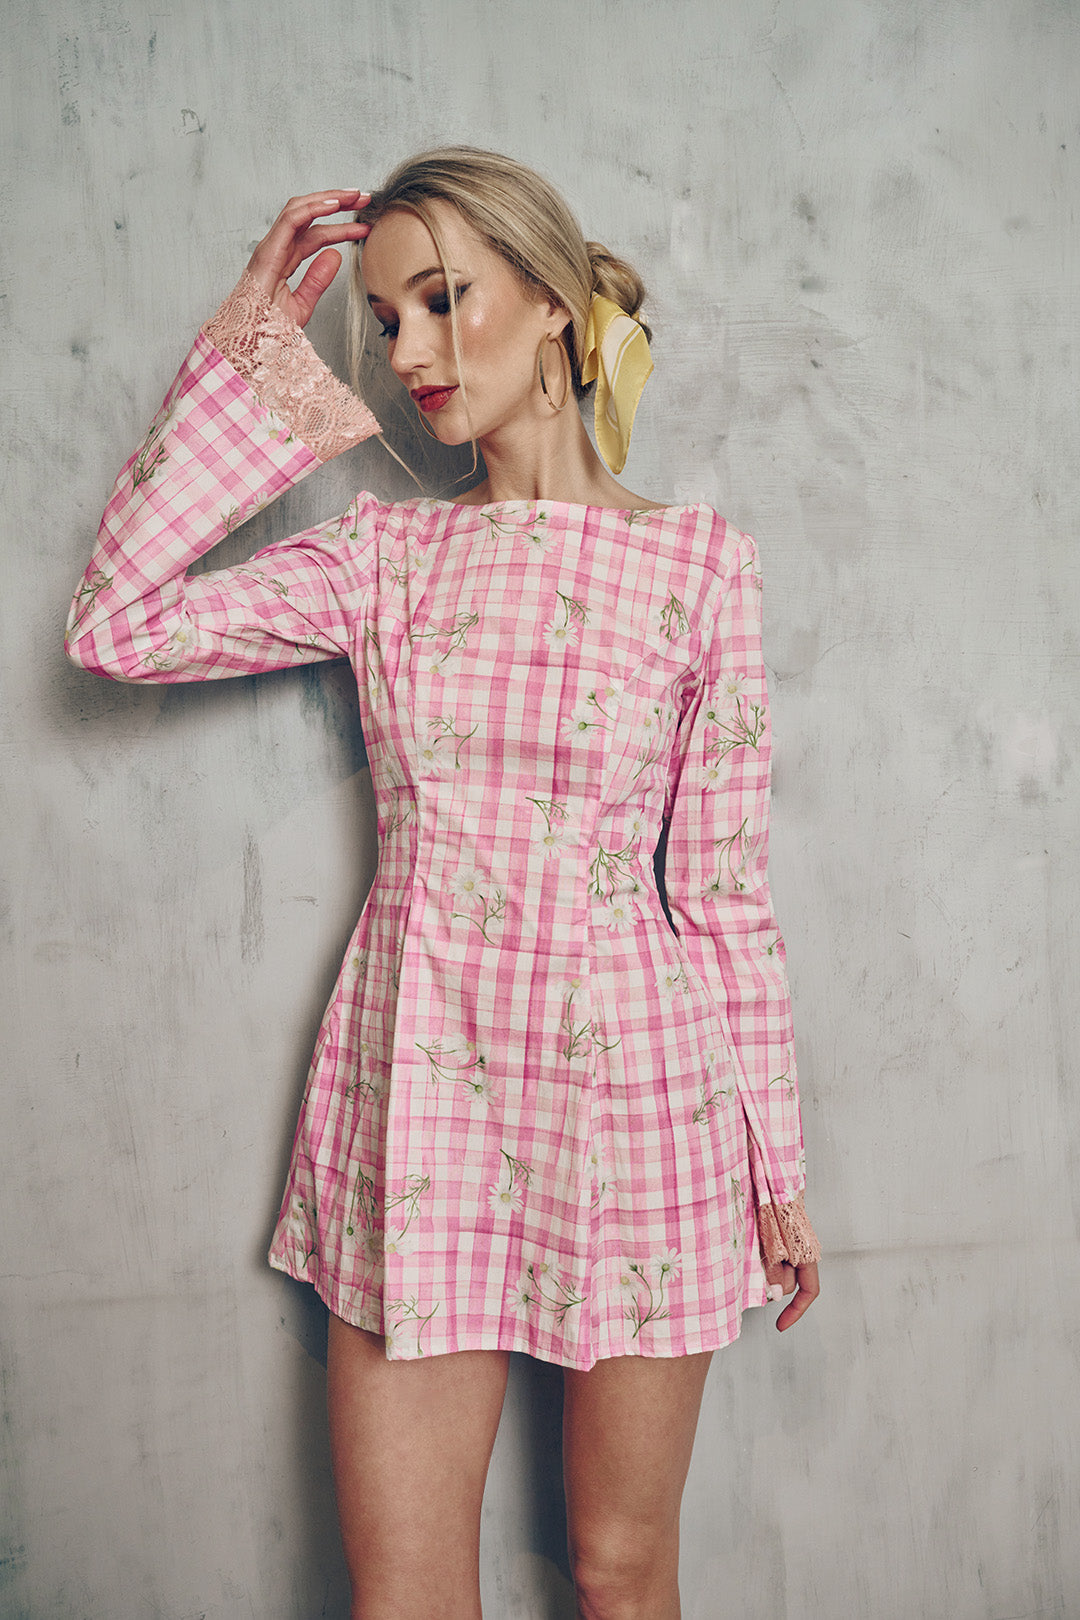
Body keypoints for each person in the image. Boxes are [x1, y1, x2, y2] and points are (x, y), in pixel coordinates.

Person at [66, 147, 821, 1620]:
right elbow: (118, 626)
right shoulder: (384, 559)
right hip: (423, 1094)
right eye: (383, 319)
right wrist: (250, 347)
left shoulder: (700, 569)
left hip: (644, 1106)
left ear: (549, 302)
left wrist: (775, 1164)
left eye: (438, 301)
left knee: (622, 1570)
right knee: (406, 1590)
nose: (408, 353)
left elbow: (723, 894)